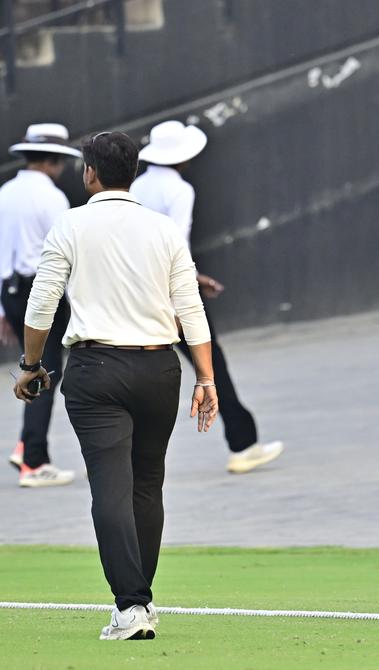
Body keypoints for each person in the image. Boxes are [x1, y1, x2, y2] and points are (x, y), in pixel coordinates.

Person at [12, 131, 219, 640]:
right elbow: (189, 306)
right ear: (134, 172)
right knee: (148, 485)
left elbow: (42, 305)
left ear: (90, 173)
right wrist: (206, 376)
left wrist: (30, 364)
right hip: (158, 368)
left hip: (94, 368)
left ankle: (131, 605)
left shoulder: (71, 223)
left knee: (111, 484)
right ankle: (139, 603)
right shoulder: (164, 227)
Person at [130, 120, 283, 475]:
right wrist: (189, 287)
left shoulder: (136, 186)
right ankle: (243, 445)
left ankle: (117, 452)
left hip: (140, 290)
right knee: (211, 364)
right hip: (175, 293)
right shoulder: (179, 190)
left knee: (138, 372)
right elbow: (176, 244)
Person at [0, 124, 80, 487]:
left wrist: (2, 309)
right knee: (45, 371)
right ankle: (35, 460)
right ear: (51, 160)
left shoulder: (5, 193)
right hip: (42, 289)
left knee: (32, 365)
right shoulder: (52, 199)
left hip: (10, 290)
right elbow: (63, 254)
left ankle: (24, 447)